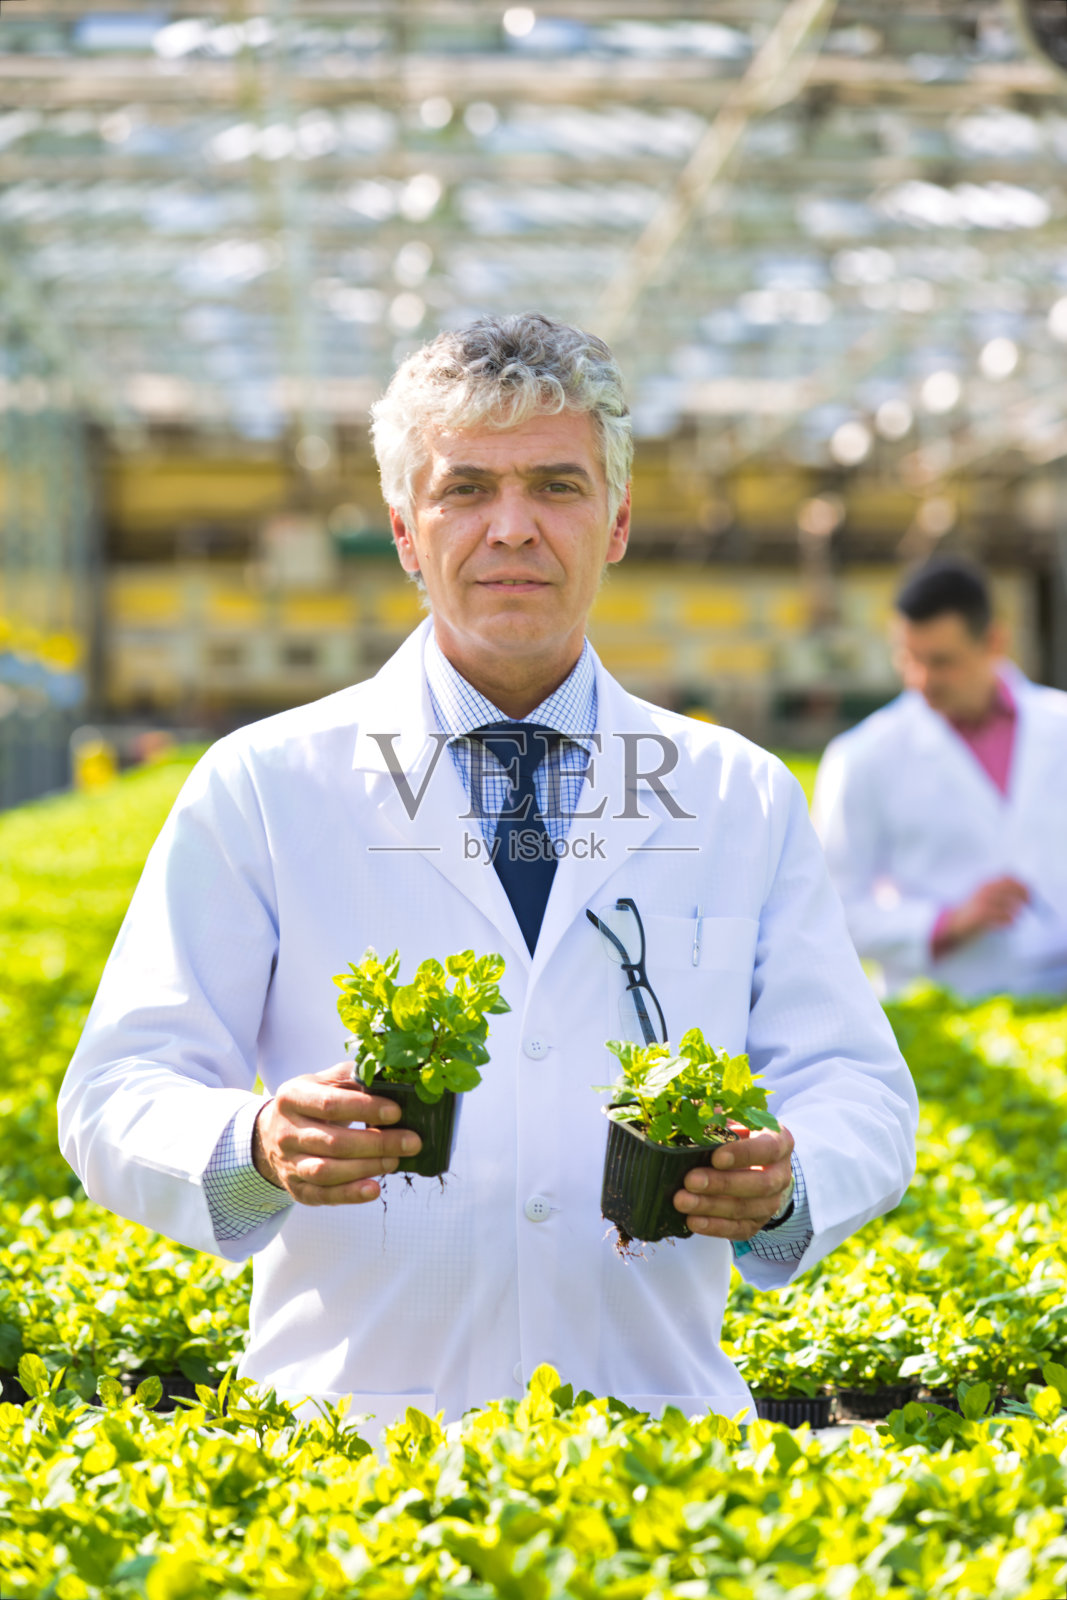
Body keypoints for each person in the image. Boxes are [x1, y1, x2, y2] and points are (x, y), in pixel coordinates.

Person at [59, 314, 916, 1428]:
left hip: (657, 1439)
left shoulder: (737, 795)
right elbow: (118, 1088)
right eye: (465, 488)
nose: (512, 528)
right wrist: (254, 1144)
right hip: (353, 1445)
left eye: (555, 486)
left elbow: (858, 1086)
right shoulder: (261, 785)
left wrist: (789, 1180)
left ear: (613, 522)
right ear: (404, 530)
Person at [813, 556, 1067, 999]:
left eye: (942, 661)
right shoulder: (862, 756)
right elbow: (826, 909)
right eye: (909, 659)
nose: (922, 680)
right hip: (934, 1005)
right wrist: (945, 924)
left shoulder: (1059, 727)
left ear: (994, 641)